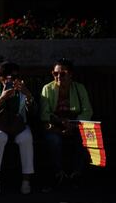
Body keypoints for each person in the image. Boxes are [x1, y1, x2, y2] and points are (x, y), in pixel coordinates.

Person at [39, 58, 93, 190]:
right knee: (53, 140)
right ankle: (59, 174)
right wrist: (59, 122)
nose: (58, 77)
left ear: (70, 74)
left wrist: (73, 124)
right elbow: (44, 114)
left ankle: (76, 174)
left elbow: (87, 111)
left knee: (86, 138)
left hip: (76, 124)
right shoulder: (47, 88)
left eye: (62, 74)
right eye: (55, 73)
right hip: (56, 125)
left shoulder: (79, 88)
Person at [0, 61, 35, 195]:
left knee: (26, 138)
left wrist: (27, 95)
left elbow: (34, 112)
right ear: (1, 78)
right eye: (10, 77)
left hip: (19, 125)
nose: (13, 80)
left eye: (16, 77)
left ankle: (26, 181)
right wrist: (2, 97)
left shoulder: (22, 90)